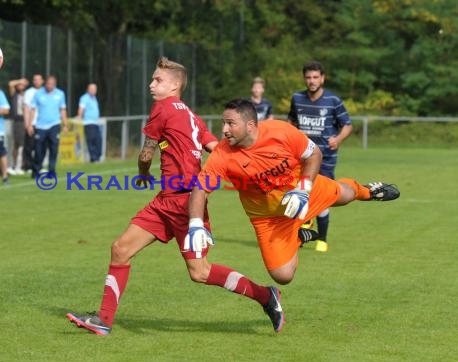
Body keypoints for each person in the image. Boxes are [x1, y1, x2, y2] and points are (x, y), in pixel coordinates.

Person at [66, 58, 295, 336]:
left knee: (200, 272)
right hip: (166, 200)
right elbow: (216, 147)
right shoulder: (190, 114)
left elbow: (146, 153)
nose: (152, 84)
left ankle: (265, 295)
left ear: (175, 85)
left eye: (157, 80)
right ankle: (103, 319)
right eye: (152, 79)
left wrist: (142, 173)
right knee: (121, 249)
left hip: (186, 203)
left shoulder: (161, 108)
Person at [186, 99, 399, 329]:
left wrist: (303, 189)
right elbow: (200, 188)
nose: (224, 130)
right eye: (223, 123)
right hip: (268, 219)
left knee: (345, 195)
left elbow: (314, 155)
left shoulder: (280, 131)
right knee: (283, 275)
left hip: (300, 194)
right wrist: (195, 223)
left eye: (230, 123)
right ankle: (297, 236)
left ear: (250, 125)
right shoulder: (223, 154)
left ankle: (368, 191)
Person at [288, 61, 353, 252]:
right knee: (301, 192)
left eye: (315, 77)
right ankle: (303, 230)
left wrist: (339, 139)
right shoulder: (297, 98)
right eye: (308, 77)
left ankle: (322, 239)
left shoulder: (333, 100)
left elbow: (347, 125)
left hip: (326, 158)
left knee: (323, 195)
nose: (312, 81)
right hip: (302, 157)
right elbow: (291, 122)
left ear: (322, 78)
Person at [29, 75, 68, 177]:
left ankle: (51, 171)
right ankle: (36, 170)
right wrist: (30, 124)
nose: (50, 86)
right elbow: (32, 110)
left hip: (54, 125)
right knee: (38, 150)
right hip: (40, 126)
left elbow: (62, 109)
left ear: (55, 84)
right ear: (45, 83)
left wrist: (65, 124)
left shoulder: (60, 94)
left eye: (52, 84)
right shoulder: (38, 94)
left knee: (54, 149)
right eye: (48, 84)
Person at [23, 74, 44, 175]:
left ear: (42, 81)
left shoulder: (46, 92)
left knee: (40, 147)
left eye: (38, 80)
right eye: (34, 80)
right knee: (29, 147)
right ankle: (30, 166)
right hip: (32, 123)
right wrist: (28, 124)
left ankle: (38, 166)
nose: (36, 81)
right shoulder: (29, 92)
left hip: (43, 124)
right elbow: (27, 108)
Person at [8, 78, 28, 175]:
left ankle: (22, 165)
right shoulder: (14, 95)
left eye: (22, 85)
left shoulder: (27, 95)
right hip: (17, 120)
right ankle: (15, 164)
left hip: (26, 120)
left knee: (24, 144)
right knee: (17, 144)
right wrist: (20, 80)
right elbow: (10, 83)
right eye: (19, 85)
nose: (21, 86)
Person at [77, 83, 102, 163]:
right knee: (91, 141)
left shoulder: (94, 98)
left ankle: (97, 157)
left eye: (95, 89)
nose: (94, 91)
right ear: (88, 89)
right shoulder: (84, 98)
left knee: (98, 140)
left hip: (95, 123)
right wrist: (79, 116)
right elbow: (81, 108)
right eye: (92, 89)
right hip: (88, 123)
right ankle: (93, 158)